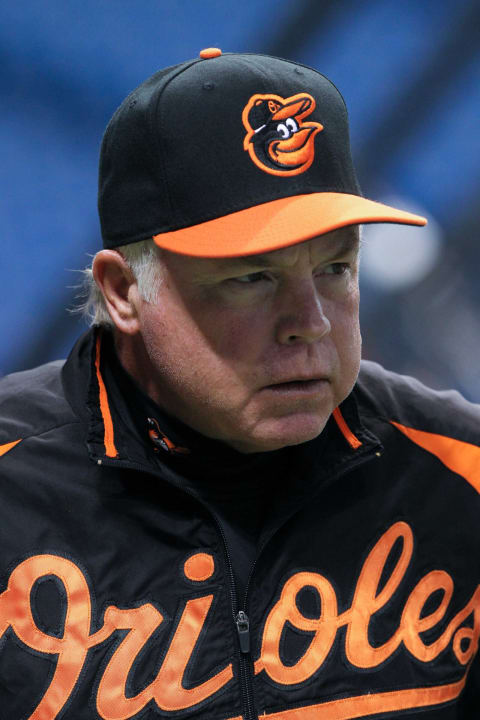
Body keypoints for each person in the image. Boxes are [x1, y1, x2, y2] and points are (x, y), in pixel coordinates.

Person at [0, 48, 478, 720]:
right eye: (252, 279)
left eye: (335, 270)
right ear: (124, 292)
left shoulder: (461, 478)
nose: (309, 323)